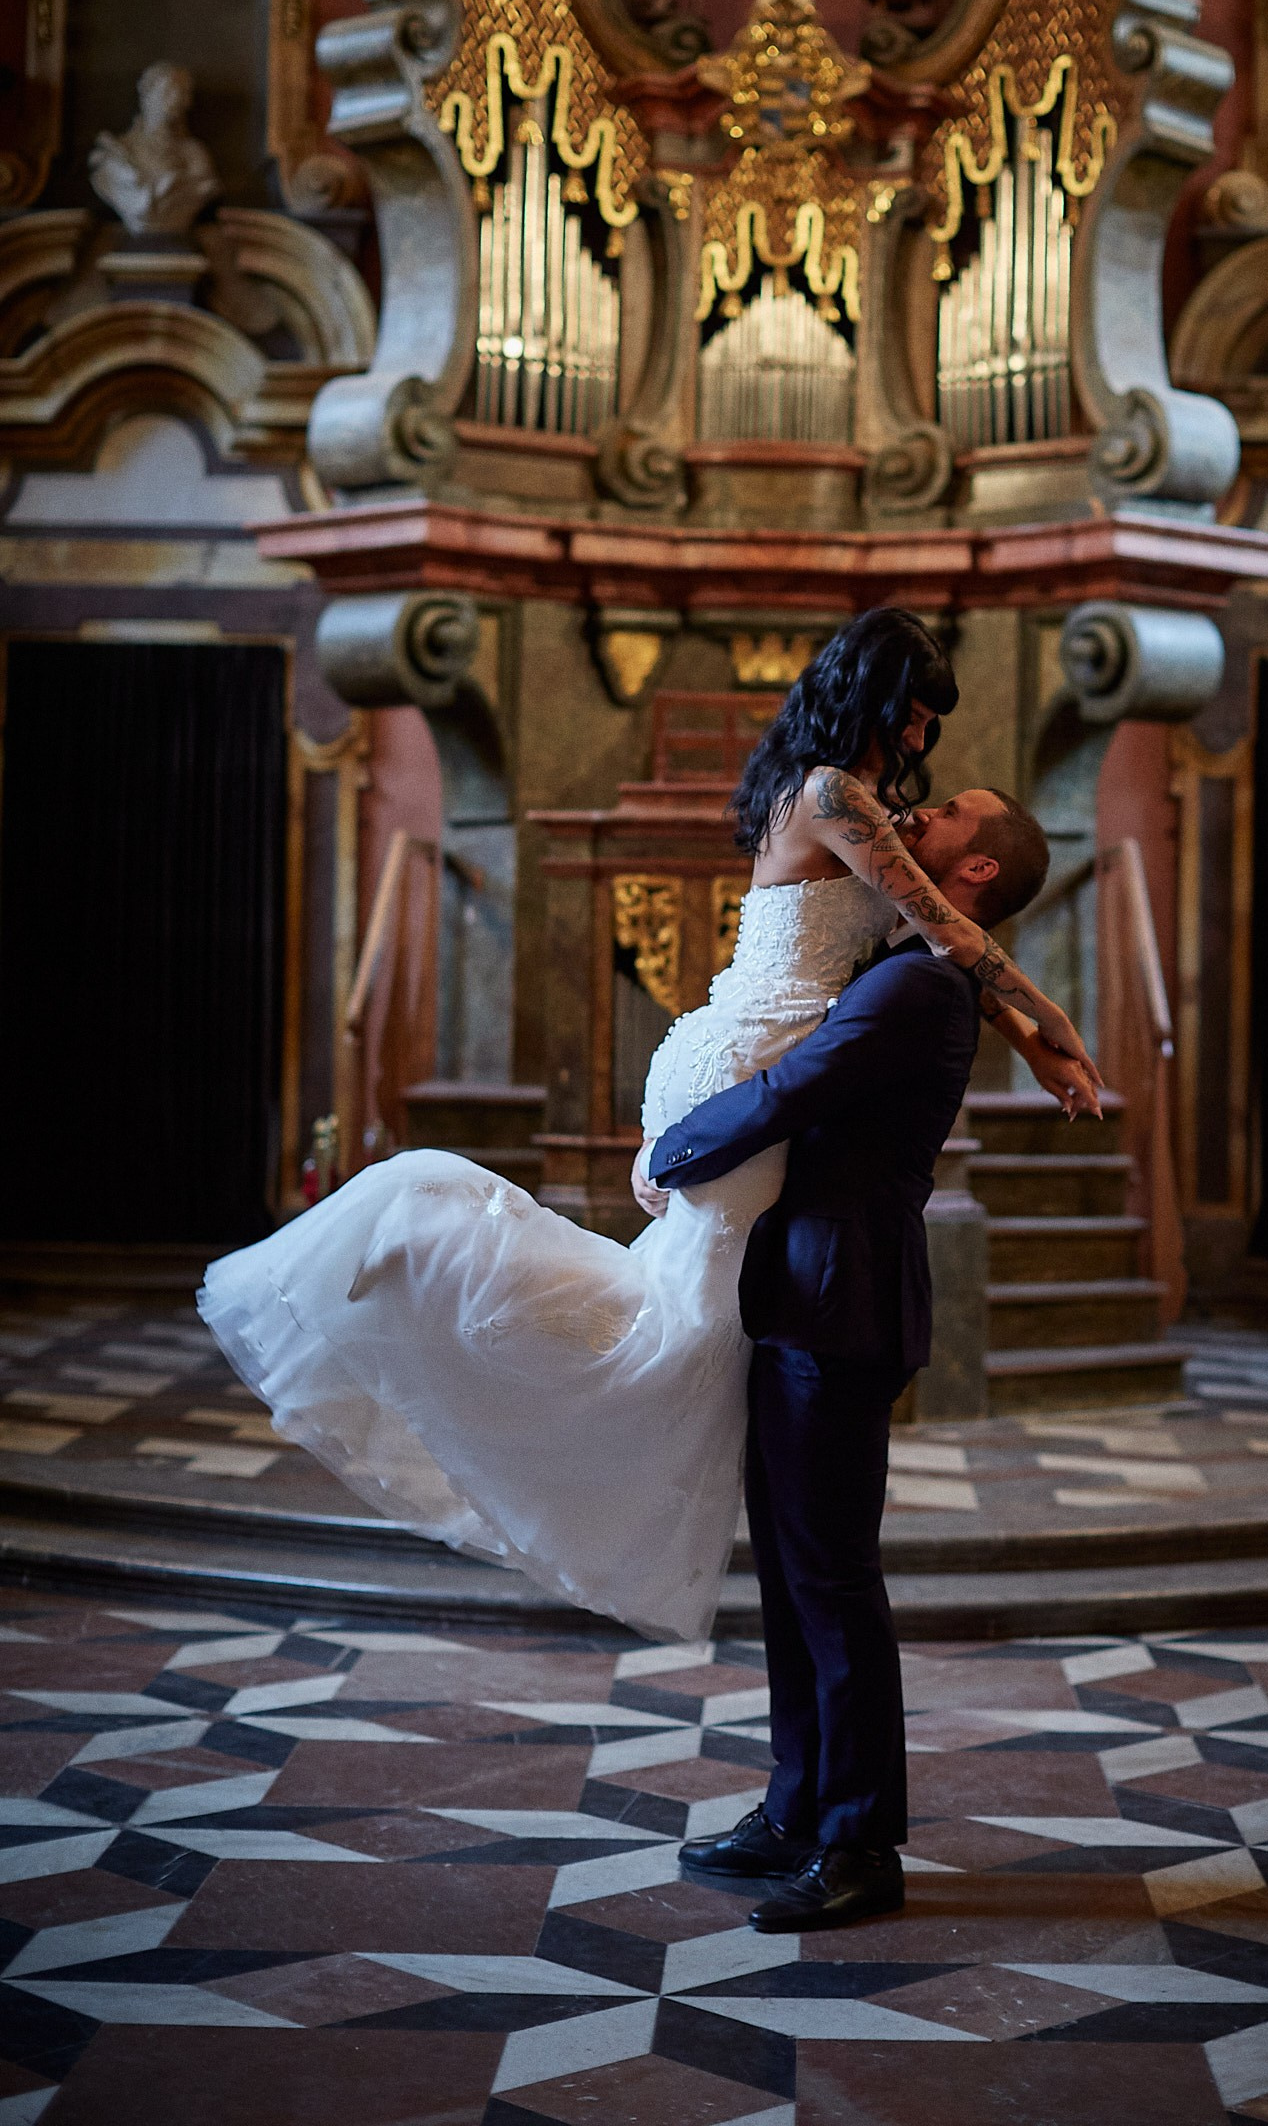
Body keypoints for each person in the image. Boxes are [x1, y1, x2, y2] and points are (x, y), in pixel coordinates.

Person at [198, 608, 1099, 1640]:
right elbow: (946, 926)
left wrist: (1028, 1037)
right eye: (919, 717)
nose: (925, 744)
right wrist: (1054, 1020)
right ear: (878, 697)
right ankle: (438, 1255)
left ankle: (471, 1305)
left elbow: (940, 932)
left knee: (672, 1315)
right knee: (663, 1340)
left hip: (722, 1052)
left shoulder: (820, 788)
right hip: (743, 1066)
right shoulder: (837, 795)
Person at [637, 781, 1057, 1930]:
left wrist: (673, 1148)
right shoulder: (903, 952)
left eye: (955, 812)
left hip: (845, 1300)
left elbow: (793, 1088)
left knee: (833, 1581)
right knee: (790, 1574)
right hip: (800, 1291)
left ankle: (862, 1838)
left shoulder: (922, 985)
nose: (924, 809)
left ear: (978, 870)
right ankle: (796, 1805)